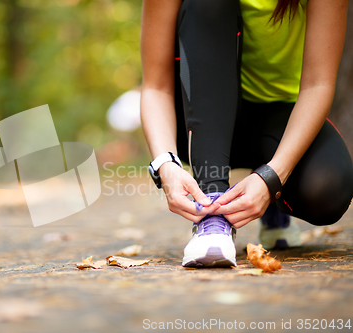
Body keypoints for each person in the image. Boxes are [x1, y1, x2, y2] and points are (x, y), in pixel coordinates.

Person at [141, 0, 353, 267]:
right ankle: (213, 214)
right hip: (198, 118)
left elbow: (318, 84)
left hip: (280, 119)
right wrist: (165, 164)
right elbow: (155, 87)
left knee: (327, 189)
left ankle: (271, 200)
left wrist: (271, 179)